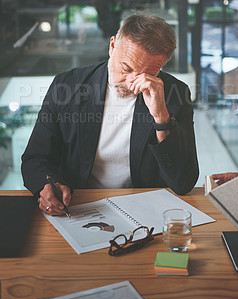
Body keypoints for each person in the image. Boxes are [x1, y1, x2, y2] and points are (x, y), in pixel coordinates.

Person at [21, 13, 199, 216]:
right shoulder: (67, 86)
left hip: (144, 209)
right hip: (79, 206)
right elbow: (35, 157)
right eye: (126, 68)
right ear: (112, 46)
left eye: (147, 74)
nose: (131, 83)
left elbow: (183, 182)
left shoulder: (176, 94)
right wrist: (47, 186)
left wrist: (161, 118)